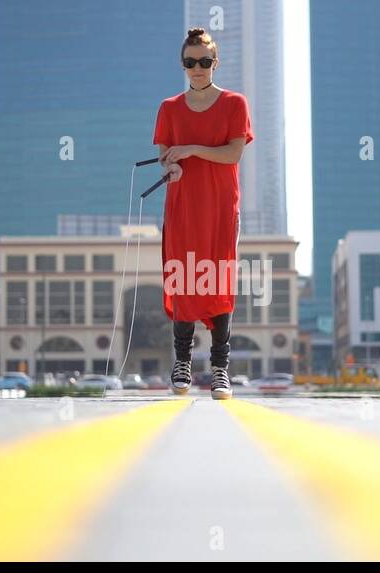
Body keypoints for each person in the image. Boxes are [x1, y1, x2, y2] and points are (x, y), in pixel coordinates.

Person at [153, 27, 254, 400]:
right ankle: (181, 363)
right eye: (190, 62)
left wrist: (192, 148)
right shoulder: (168, 109)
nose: (197, 68)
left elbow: (232, 154)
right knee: (182, 278)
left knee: (218, 280)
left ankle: (219, 369)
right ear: (183, 64)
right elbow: (167, 159)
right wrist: (173, 167)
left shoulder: (234, 104)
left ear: (216, 63)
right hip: (182, 207)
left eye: (204, 62)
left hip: (221, 207)